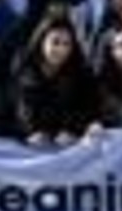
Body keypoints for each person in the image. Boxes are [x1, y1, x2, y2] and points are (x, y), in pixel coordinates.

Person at [15, 13, 99, 147]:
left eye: (66, 44)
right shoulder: (22, 70)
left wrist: (73, 131)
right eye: (55, 42)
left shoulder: (82, 74)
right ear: (41, 41)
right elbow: (17, 112)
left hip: (68, 145)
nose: (61, 49)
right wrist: (30, 132)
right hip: (28, 145)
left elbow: (88, 111)